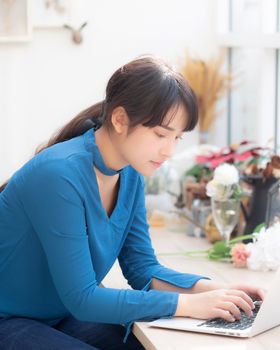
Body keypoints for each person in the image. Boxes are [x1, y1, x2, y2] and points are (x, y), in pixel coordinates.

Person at [0, 56, 264, 350]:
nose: (169, 150)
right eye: (161, 134)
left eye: (178, 137)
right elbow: (83, 299)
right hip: (9, 319)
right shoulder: (59, 176)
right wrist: (189, 305)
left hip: (59, 313)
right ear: (120, 119)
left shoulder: (131, 174)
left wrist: (218, 291)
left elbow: (142, 268)